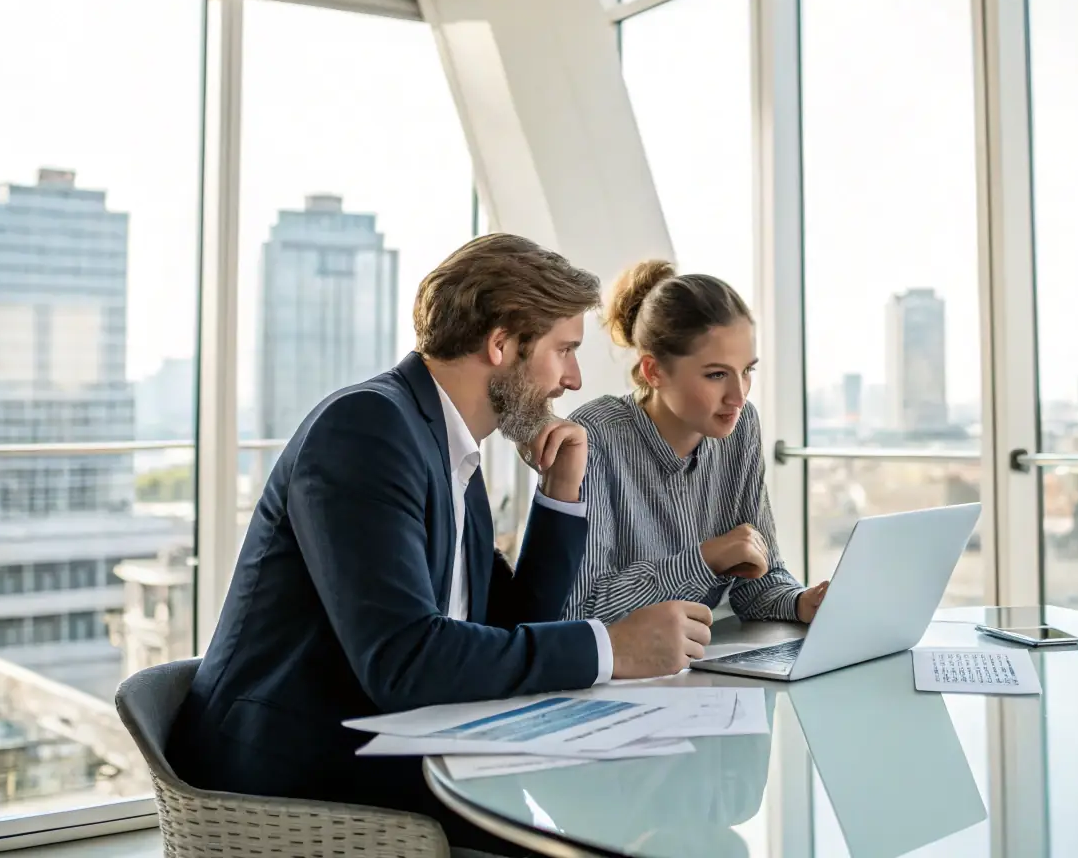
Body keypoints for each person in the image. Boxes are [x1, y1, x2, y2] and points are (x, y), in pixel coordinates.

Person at [166, 235, 713, 854]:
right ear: (502, 343)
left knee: (620, 806)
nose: (573, 379)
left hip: (397, 737)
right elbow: (403, 660)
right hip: (291, 774)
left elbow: (510, 626)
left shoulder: (452, 454)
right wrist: (611, 647)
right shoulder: (367, 429)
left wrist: (562, 495)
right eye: (564, 350)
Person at [563, 260, 828, 626]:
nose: (738, 396)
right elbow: (581, 609)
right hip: (622, 676)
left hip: (701, 664)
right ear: (653, 371)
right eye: (716, 374)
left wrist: (802, 602)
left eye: (747, 370)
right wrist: (704, 559)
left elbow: (756, 583)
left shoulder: (741, 426)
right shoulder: (595, 436)